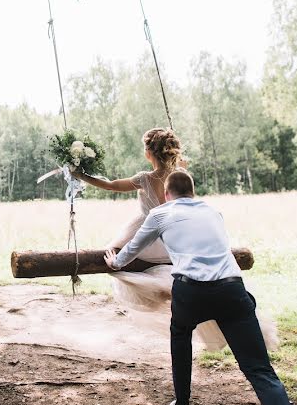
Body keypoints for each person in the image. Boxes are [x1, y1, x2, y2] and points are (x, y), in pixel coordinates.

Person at [104, 170, 297, 405]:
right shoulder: (213, 212)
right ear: (193, 192)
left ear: (166, 194)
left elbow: (133, 247)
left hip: (191, 291)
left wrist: (115, 261)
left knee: (181, 337)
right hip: (231, 290)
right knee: (260, 370)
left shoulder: (160, 213)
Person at [72, 128, 276, 351]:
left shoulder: (144, 179)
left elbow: (110, 185)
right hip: (177, 237)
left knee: (115, 252)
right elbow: (183, 168)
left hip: (148, 239)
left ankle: (162, 291)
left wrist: (81, 176)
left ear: (149, 153)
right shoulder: (180, 174)